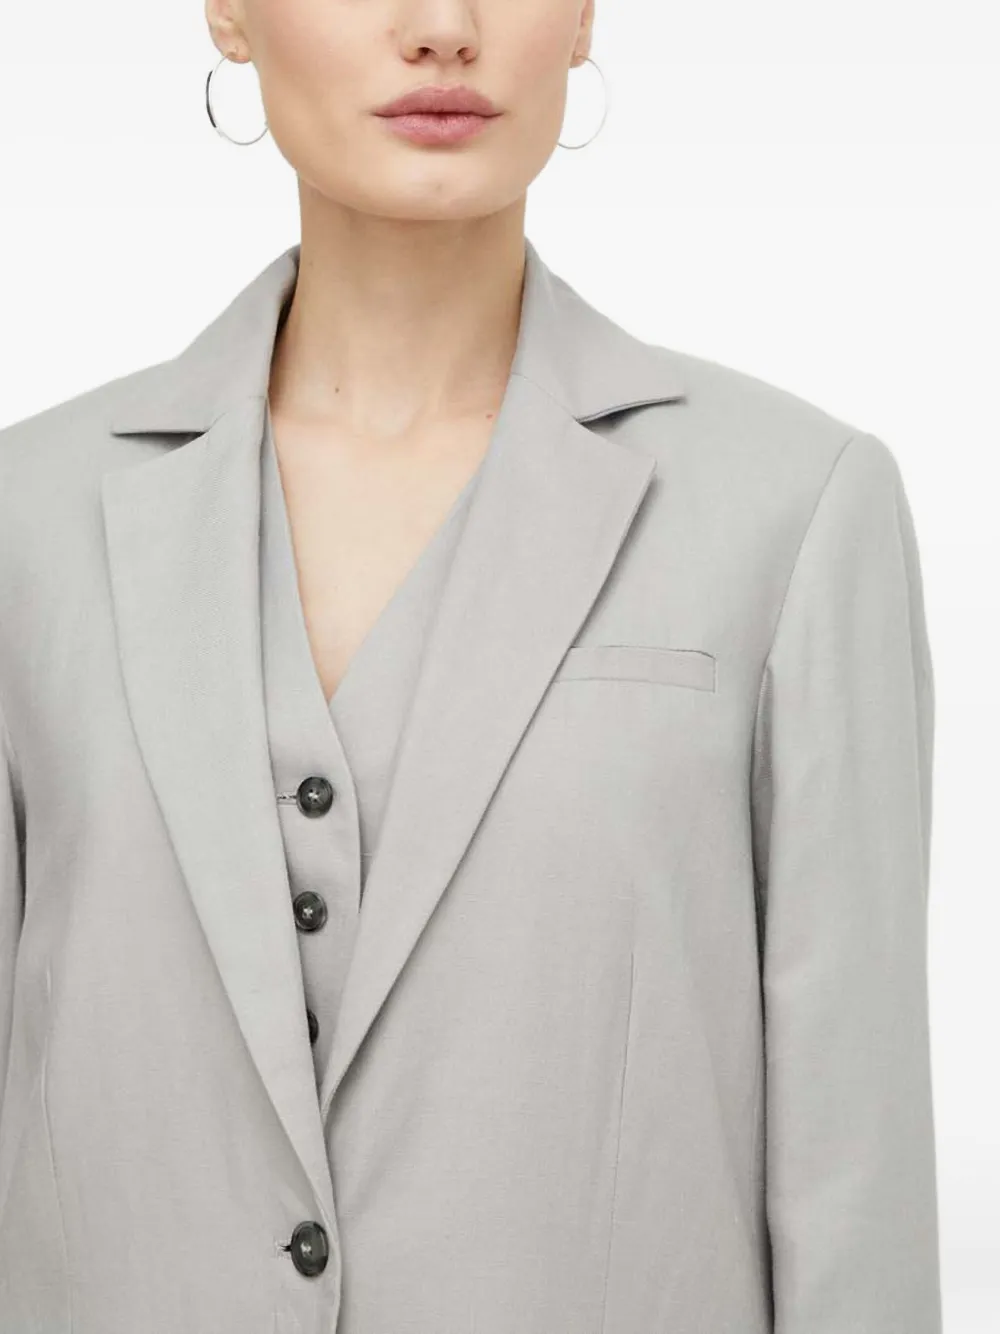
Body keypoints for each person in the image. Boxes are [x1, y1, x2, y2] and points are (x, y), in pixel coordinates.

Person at [0, 1, 942, 1331]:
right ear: (227, 12)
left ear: (586, 16)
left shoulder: (794, 513)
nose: (444, 27)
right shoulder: (26, 526)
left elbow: (859, 1182)